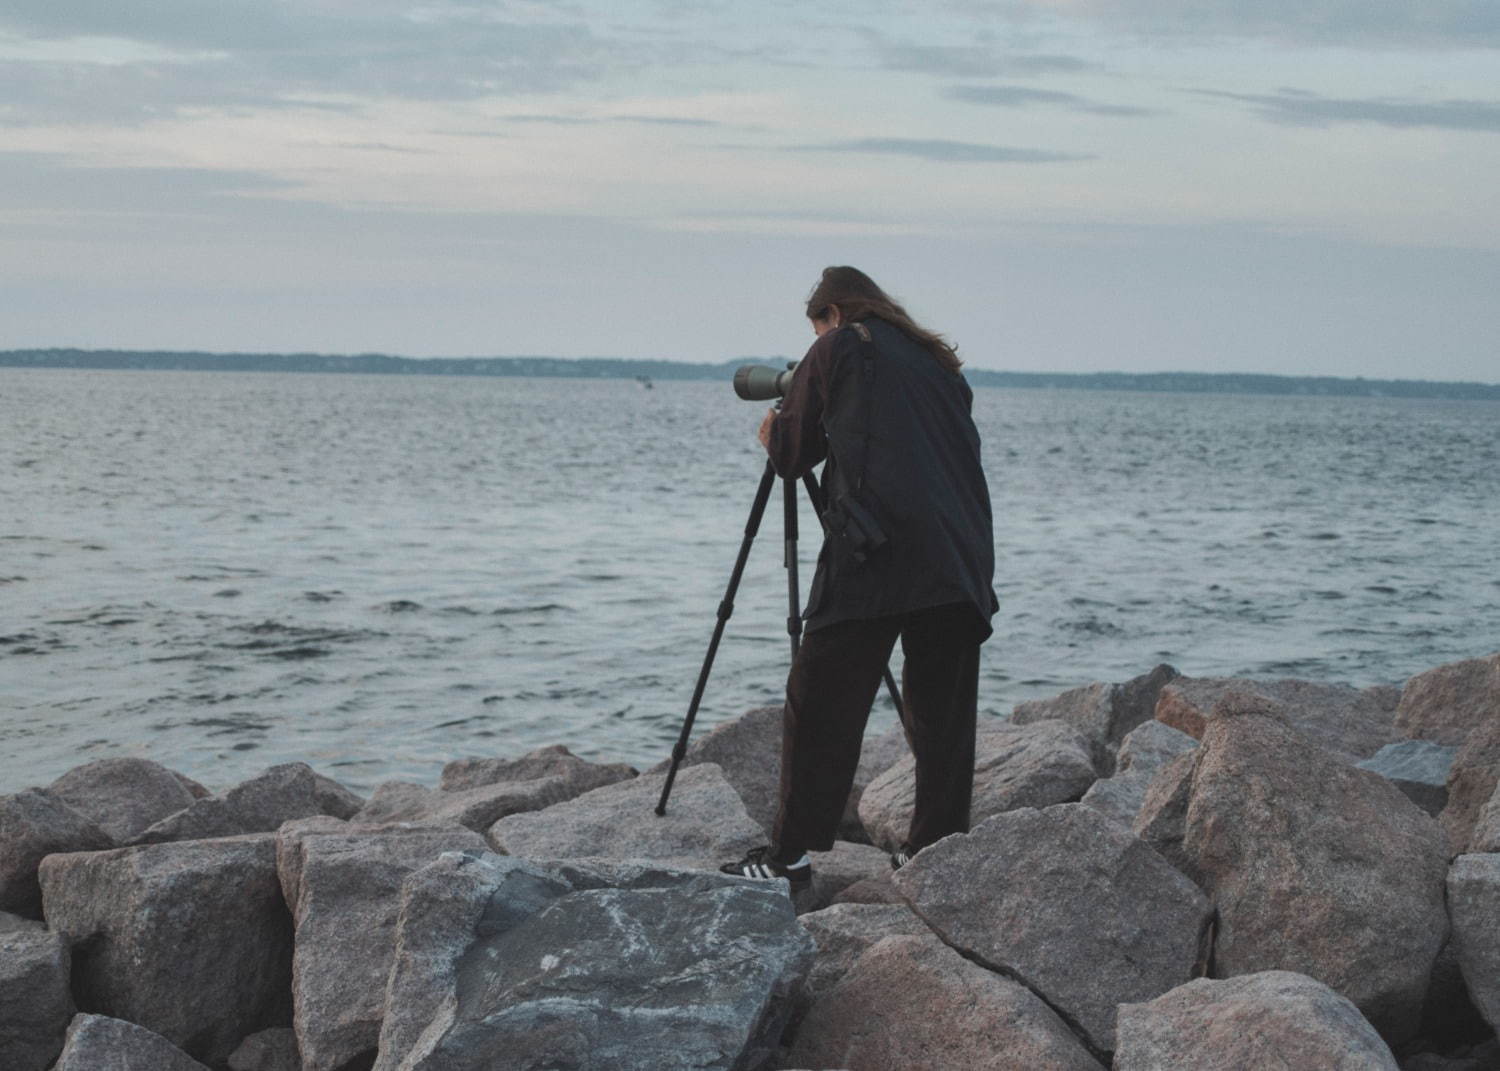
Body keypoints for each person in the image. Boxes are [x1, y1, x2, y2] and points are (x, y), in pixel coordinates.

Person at [721, 266, 998, 889]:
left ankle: (788, 859)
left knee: (820, 701)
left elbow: (794, 457)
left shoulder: (841, 346)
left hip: (875, 555)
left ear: (834, 316)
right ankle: (938, 858)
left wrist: (776, 430)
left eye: (815, 329)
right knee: (942, 717)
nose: (815, 341)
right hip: (960, 560)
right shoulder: (938, 366)